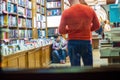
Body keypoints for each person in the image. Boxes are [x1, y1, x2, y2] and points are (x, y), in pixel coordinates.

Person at [58, 0, 100, 66]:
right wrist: (87, 29)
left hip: (73, 42)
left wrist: (70, 30)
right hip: (86, 41)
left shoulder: (66, 12)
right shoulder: (90, 10)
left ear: (69, 1)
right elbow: (97, 25)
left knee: (75, 68)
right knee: (88, 66)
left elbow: (61, 30)